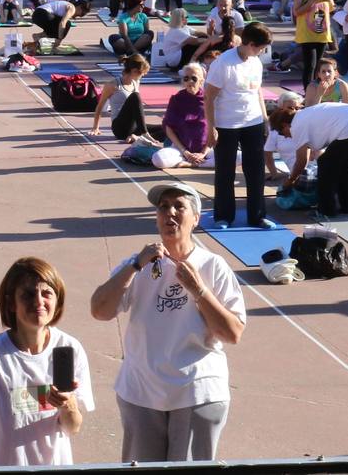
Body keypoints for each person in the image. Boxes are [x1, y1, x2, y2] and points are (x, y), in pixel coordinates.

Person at [89, 183, 244, 462]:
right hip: (141, 392)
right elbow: (100, 310)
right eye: (163, 207)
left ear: (195, 219)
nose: (169, 213)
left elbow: (232, 333)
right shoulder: (136, 266)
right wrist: (135, 265)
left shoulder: (212, 266)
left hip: (197, 391)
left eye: (179, 206)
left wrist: (199, 291)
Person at [0, 257, 91, 467]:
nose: (38, 301)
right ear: (10, 303)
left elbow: (73, 427)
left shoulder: (71, 349)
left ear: (57, 300)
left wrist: (68, 403)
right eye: (27, 294)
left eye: (47, 293)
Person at [205, 23, 274, 228]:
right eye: (260, 48)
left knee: (256, 171)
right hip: (226, 124)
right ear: (250, 44)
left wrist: (264, 119)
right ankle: (224, 216)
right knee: (225, 171)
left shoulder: (256, 62)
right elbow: (208, 98)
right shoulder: (224, 63)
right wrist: (211, 127)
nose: (261, 52)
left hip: (252, 121)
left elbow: (257, 91)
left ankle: (257, 215)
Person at [271, 102, 348, 218]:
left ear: (285, 125)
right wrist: (294, 178)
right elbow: (304, 158)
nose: (285, 136)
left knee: (325, 164)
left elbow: (301, 161)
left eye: (281, 133)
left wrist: (290, 181)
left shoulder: (296, 125)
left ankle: (326, 210)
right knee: (345, 168)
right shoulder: (303, 116)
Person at [292, 0, 336, 90]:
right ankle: (308, 94)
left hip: (322, 32)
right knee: (310, 65)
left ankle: (319, 92)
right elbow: (297, 11)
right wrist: (312, 0)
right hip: (307, 33)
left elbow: (332, 8)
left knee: (319, 66)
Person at [157, 64, 211, 169]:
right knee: (158, 159)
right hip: (180, 149)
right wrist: (185, 152)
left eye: (194, 78)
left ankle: (193, 163)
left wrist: (203, 153)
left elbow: (216, 129)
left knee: (239, 157)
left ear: (201, 80)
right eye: (186, 78)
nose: (190, 81)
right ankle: (201, 163)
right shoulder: (176, 99)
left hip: (207, 149)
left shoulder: (209, 99)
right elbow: (168, 127)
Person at [92, 54, 150, 142]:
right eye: (142, 73)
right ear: (134, 71)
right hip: (120, 128)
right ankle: (144, 134)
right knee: (135, 96)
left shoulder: (136, 82)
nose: (143, 76)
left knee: (165, 130)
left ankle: (136, 137)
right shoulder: (112, 85)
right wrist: (95, 128)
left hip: (133, 126)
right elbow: (100, 106)